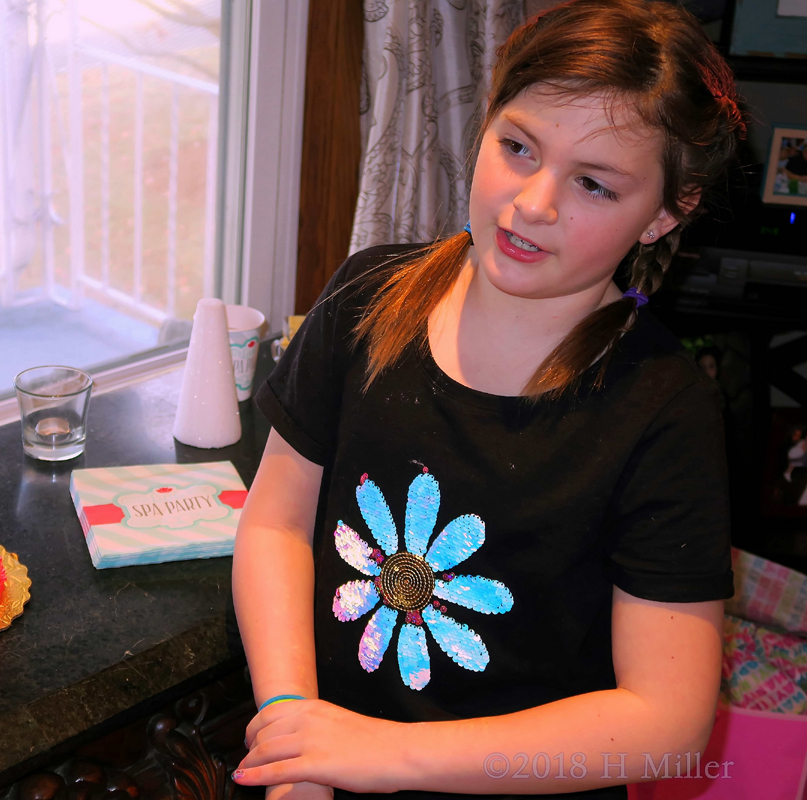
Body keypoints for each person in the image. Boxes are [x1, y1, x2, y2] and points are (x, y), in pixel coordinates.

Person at [231, 0, 744, 797]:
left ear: (666, 214)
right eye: (517, 147)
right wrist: (295, 731)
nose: (533, 203)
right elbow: (275, 524)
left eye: (595, 186)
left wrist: (386, 754)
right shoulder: (367, 294)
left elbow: (668, 722)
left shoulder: (664, 409)